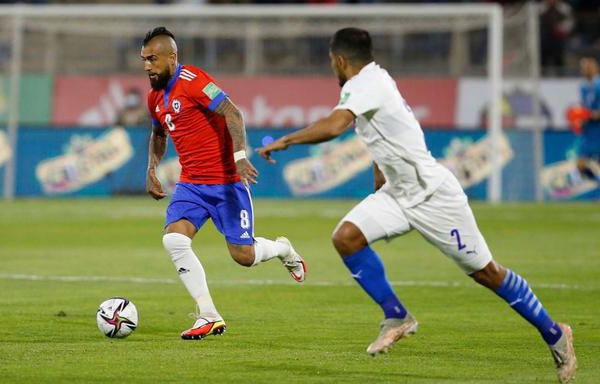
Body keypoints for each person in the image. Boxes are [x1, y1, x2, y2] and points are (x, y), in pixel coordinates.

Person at [257, 27, 577, 383]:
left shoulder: (365, 84)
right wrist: (379, 183)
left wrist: (286, 140)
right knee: (346, 237)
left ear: (340, 60)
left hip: (433, 196)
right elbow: (379, 133)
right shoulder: (372, 82)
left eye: (332, 61)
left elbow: (336, 125)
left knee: (487, 273)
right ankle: (396, 316)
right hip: (398, 193)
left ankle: (555, 333)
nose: (332, 66)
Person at [141, 27, 306, 340]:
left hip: (226, 183)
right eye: (144, 59)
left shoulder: (194, 81)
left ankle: (284, 248)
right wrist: (152, 167)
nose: (147, 65)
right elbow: (159, 134)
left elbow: (233, 112)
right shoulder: (154, 98)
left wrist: (240, 156)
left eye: (152, 58)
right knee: (174, 241)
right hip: (191, 185)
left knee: (243, 256)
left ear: (171, 58)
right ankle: (208, 315)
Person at [575, 56, 600, 182]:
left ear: (595, 68)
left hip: (598, 130)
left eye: (588, 67)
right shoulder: (583, 87)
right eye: (583, 68)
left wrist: (587, 115)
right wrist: (579, 119)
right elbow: (584, 108)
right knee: (580, 165)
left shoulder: (599, 85)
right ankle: (597, 182)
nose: (585, 70)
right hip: (588, 132)